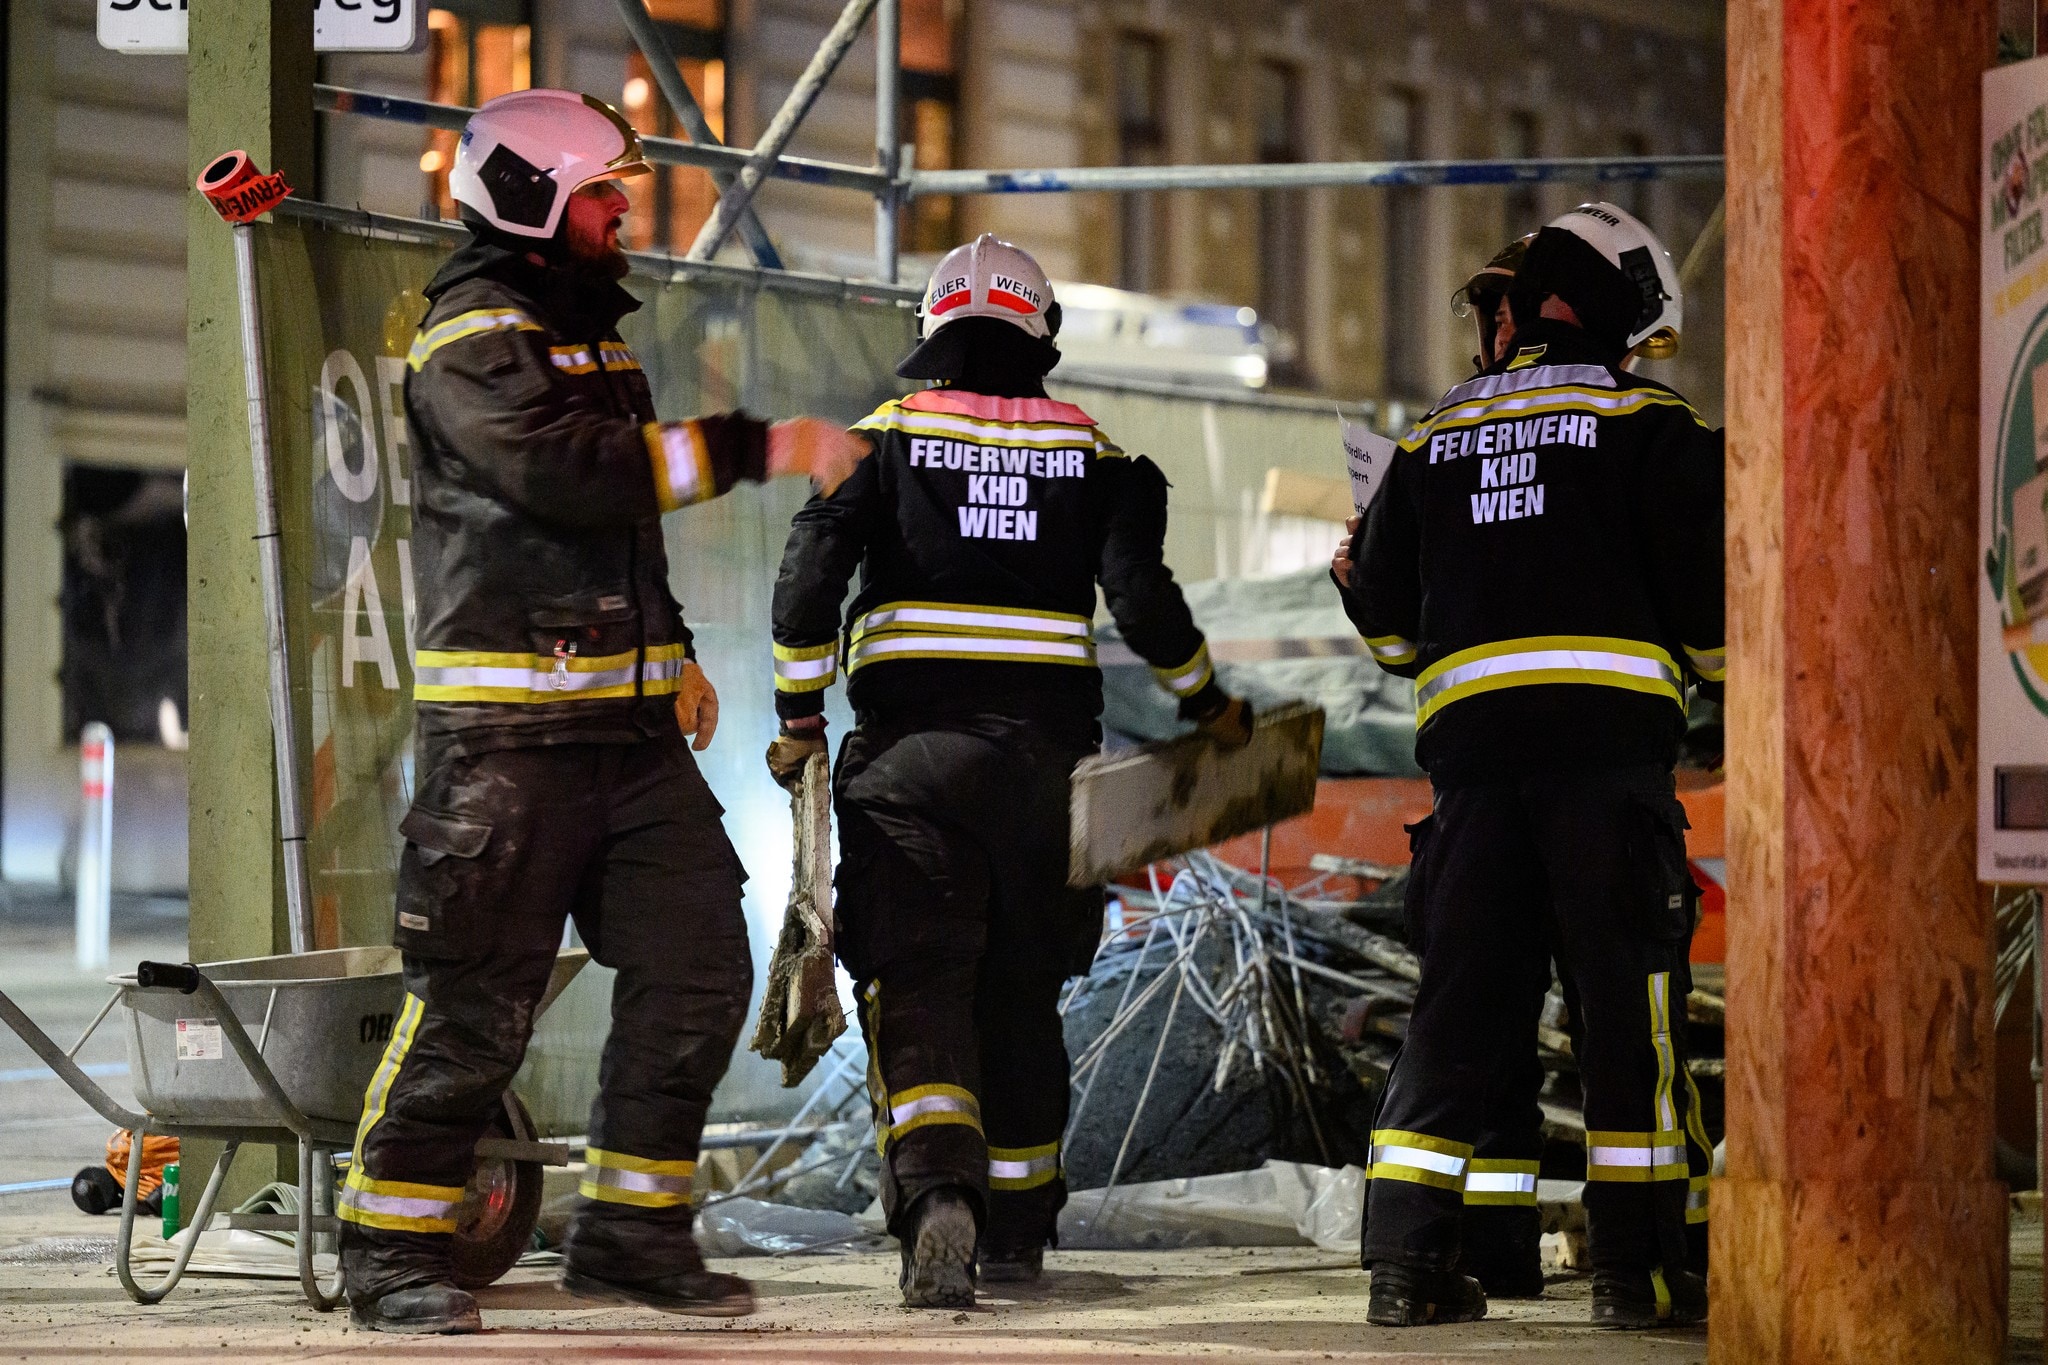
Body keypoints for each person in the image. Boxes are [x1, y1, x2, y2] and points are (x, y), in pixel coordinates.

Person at [335, 88, 867, 1335]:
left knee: (693, 970)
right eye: (600, 193)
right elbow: (565, 473)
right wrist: (763, 443)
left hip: (623, 741)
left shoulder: (584, 332)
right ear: (530, 199)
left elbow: (616, 529)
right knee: (476, 1002)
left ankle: (631, 1234)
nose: (624, 210)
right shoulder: (471, 332)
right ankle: (387, 1250)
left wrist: (671, 644)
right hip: (509, 747)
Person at [766, 234, 1251, 1308]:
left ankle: (940, 1199)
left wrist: (797, 715)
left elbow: (806, 582)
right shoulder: (1101, 456)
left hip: (909, 767)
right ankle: (1024, 1226)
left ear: (931, 333)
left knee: (923, 985)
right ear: (1041, 336)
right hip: (1048, 778)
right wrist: (1210, 708)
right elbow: (1143, 601)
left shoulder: (881, 441)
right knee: (1024, 995)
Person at [1338, 202, 1724, 1329]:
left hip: (1468, 775)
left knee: (1455, 1012)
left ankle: (1405, 1269)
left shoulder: (1429, 435)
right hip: (1604, 768)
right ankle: (1634, 1274)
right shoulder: (1653, 427)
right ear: (1614, 305)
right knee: (1626, 1019)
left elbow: (1390, 626)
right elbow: (1711, 629)